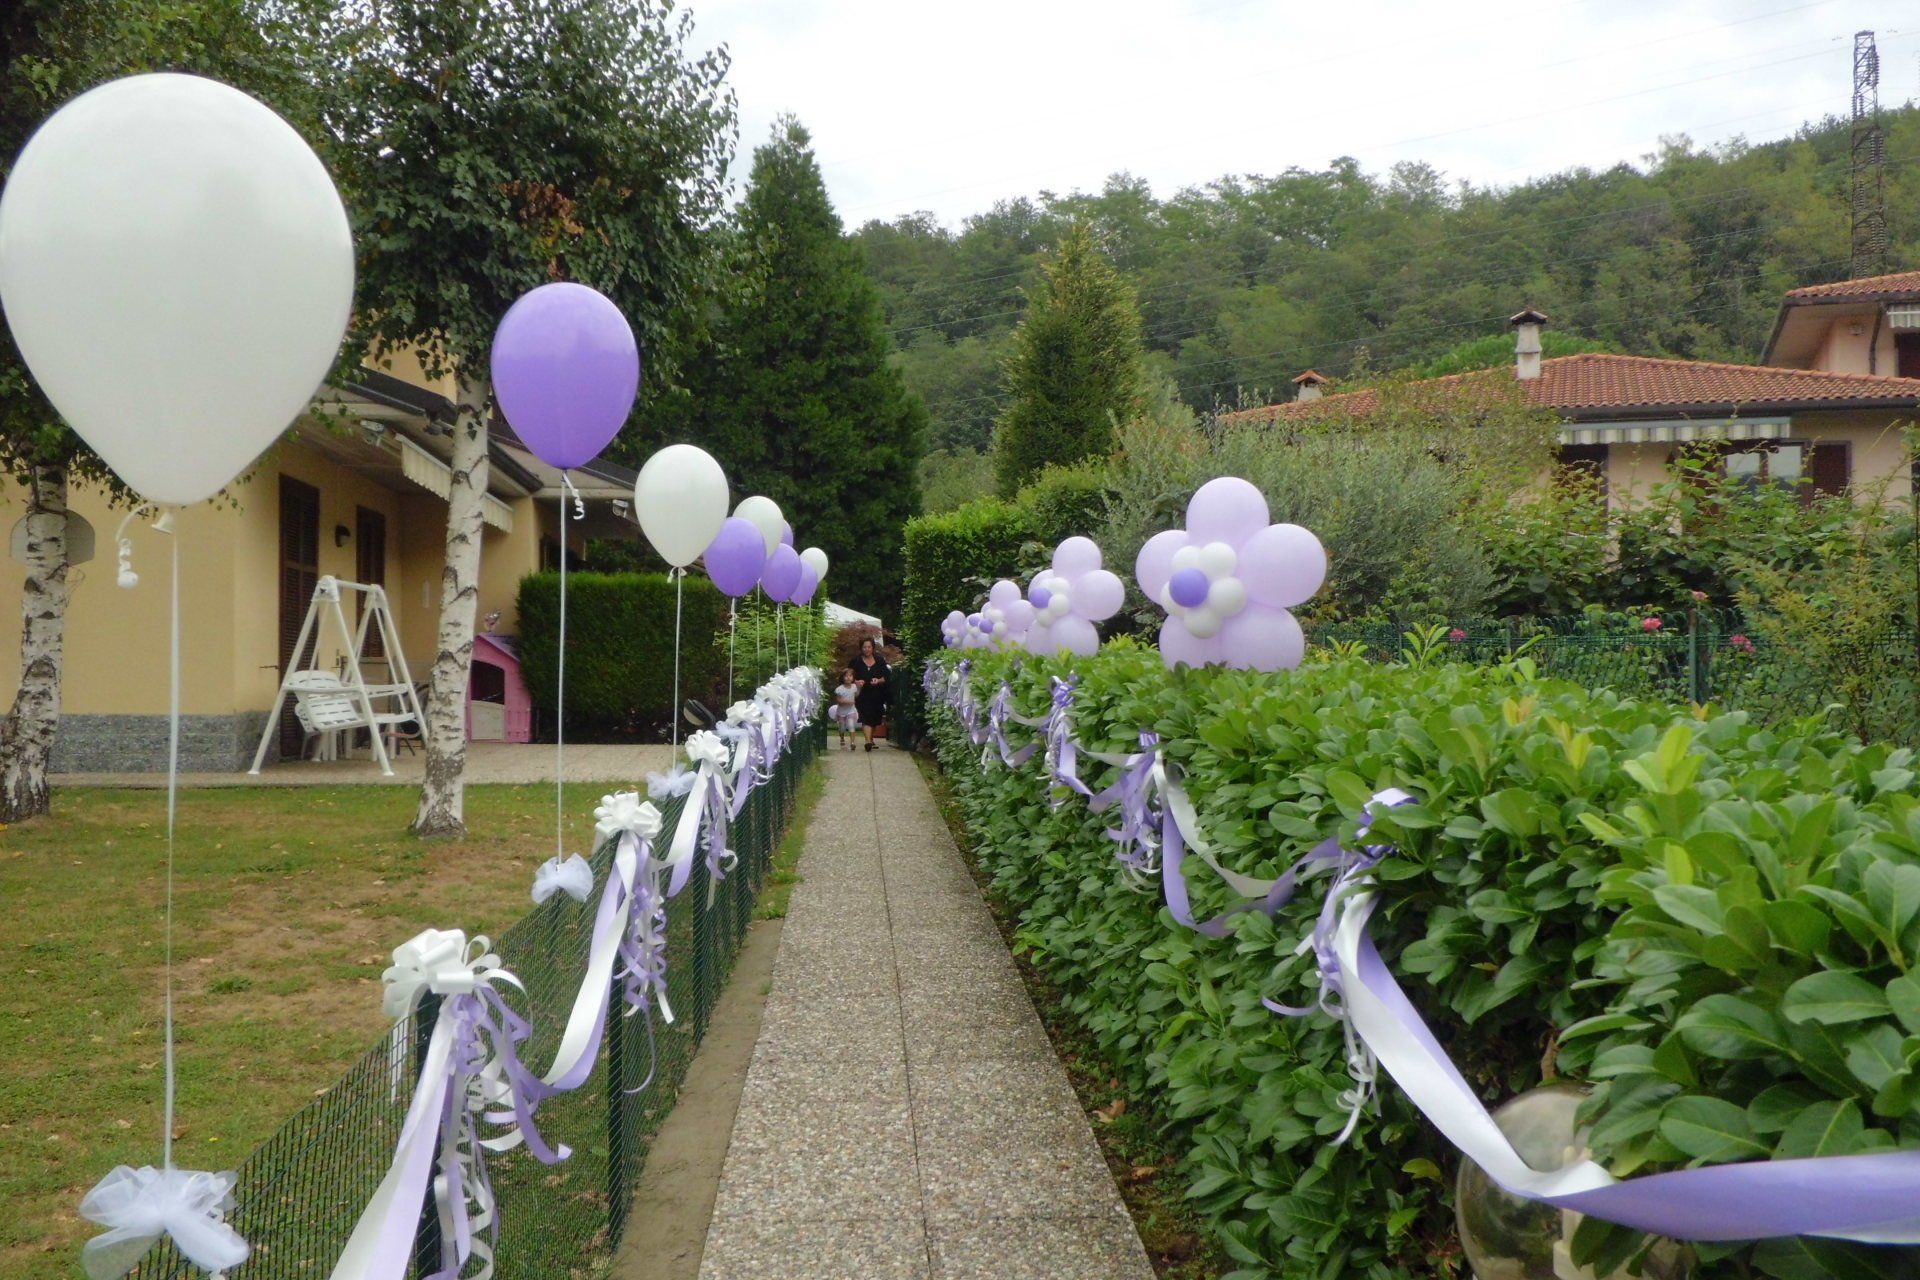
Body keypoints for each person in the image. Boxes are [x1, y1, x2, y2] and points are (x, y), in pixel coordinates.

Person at [850, 635, 890, 752]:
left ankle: (871, 739)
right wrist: (856, 682)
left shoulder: (879, 661)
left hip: (877, 695)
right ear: (861, 648)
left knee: (874, 718)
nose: (866, 649)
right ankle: (867, 741)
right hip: (862, 694)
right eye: (864, 647)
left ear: (873, 648)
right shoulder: (856, 661)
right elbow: (848, 675)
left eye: (869, 647)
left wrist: (879, 680)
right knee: (865, 717)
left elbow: (886, 676)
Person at [831, 668, 860, 750]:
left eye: (850, 676)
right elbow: (839, 700)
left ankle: (852, 743)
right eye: (846, 676)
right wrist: (847, 702)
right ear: (842, 678)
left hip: (851, 710)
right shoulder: (839, 689)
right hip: (841, 712)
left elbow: (856, 695)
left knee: (851, 725)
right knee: (842, 728)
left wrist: (860, 687)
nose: (848, 678)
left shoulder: (854, 686)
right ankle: (842, 738)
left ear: (853, 678)